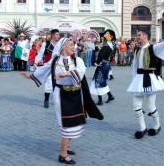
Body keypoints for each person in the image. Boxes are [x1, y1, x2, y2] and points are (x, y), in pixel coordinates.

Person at [21, 37, 103, 165]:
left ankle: (67, 147)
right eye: (71, 45)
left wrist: (65, 74)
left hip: (76, 94)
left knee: (75, 122)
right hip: (61, 95)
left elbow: (80, 73)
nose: (74, 47)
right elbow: (43, 70)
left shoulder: (78, 60)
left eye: (74, 45)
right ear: (63, 47)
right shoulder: (54, 61)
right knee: (67, 125)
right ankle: (63, 155)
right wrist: (31, 76)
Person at [127, 30, 164, 139]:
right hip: (139, 80)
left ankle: (157, 125)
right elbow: (134, 67)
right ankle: (142, 127)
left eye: (139, 35)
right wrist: (133, 81)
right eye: (137, 35)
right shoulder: (137, 50)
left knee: (150, 106)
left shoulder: (153, 47)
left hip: (150, 79)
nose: (137, 37)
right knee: (136, 105)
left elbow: (163, 45)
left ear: (145, 36)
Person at [34, 29, 60, 108]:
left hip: (58, 66)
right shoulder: (46, 44)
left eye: (58, 34)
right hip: (48, 66)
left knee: (59, 82)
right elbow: (40, 54)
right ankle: (46, 99)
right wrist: (35, 63)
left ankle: (57, 99)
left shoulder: (60, 44)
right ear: (52, 35)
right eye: (56, 34)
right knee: (49, 82)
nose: (58, 36)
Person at [89, 29, 116, 105]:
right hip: (107, 65)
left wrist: (96, 62)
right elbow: (110, 57)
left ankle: (100, 100)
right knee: (102, 81)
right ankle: (110, 95)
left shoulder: (106, 46)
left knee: (98, 81)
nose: (102, 39)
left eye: (103, 38)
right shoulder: (111, 45)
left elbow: (101, 56)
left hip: (102, 65)